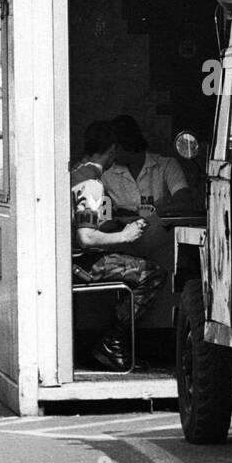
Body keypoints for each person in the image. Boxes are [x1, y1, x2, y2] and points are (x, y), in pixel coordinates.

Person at [71, 121, 163, 371]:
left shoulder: (77, 171)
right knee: (152, 273)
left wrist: (115, 223)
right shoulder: (92, 185)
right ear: (112, 150)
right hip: (81, 264)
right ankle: (112, 343)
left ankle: (115, 344)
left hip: (73, 260)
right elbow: (86, 237)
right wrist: (125, 235)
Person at [104, 114, 199, 214]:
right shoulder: (105, 174)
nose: (110, 154)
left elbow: (185, 203)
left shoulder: (166, 165)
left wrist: (146, 213)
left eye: (114, 148)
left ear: (127, 143)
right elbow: (102, 215)